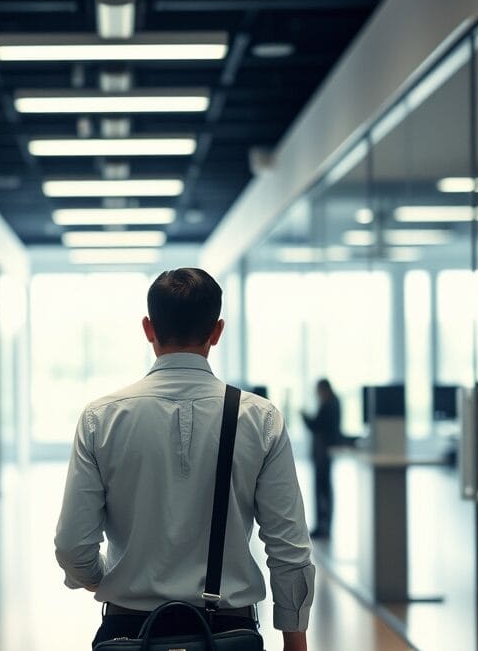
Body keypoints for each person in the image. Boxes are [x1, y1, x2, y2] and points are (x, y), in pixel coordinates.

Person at [55, 268, 314, 651]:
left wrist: (109, 580)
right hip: (229, 633)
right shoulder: (260, 418)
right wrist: (294, 640)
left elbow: (72, 546)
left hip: (128, 631)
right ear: (217, 330)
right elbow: (289, 548)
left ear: (148, 327)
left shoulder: (101, 418)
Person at [302, 379, 341, 540]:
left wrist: (304, 417)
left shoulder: (329, 404)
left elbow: (317, 425)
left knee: (322, 490)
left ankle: (323, 526)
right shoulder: (333, 403)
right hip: (323, 453)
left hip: (322, 454)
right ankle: (323, 526)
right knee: (324, 490)